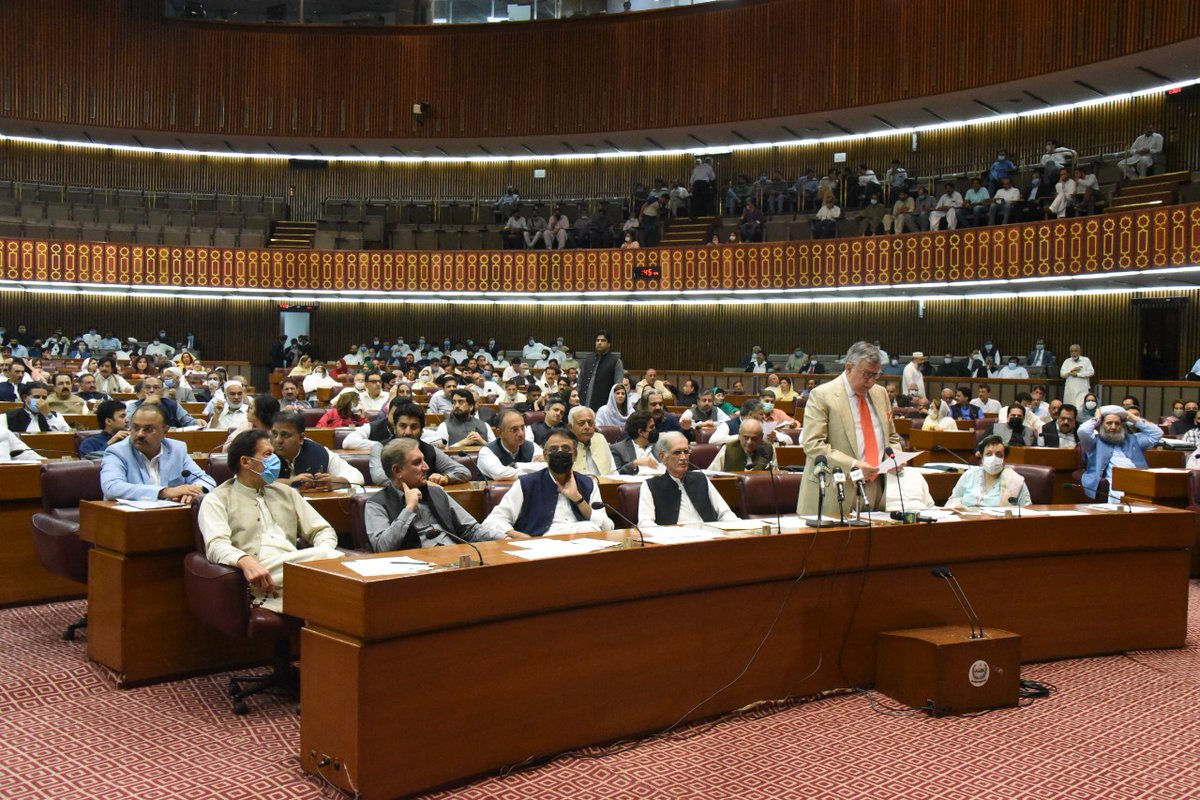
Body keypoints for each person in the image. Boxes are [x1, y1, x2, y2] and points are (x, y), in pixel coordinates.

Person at [197, 429, 342, 612]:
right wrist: (244, 560)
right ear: (246, 462)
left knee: (327, 589)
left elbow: (321, 529)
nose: (275, 459)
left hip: (294, 563)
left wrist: (323, 553)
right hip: (259, 568)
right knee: (339, 578)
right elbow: (216, 545)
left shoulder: (286, 492)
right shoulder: (216, 499)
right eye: (267, 454)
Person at [798, 342, 901, 518]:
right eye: (867, 374)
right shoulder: (822, 395)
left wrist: (895, 455)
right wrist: (853, 465)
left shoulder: (880, 393)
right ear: (848, 368)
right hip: (834, 489)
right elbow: (813, 444)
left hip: (875, 487)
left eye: (876, 375)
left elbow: (891, 437)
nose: (871, 381)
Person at [365, 437, 506, 553]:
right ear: (397, 471)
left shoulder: (436, 492)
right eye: (417, 463)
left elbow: (470, 529)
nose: (426, 467)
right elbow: (382, 548)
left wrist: (506, 539)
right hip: (417, 570)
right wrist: (408, 509)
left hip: (456, 558)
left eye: (424, 460)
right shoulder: (376, 504)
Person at [481, 429, 613, 538]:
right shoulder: (526, 484)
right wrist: (518, 536)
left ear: (574, 454)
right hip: (543, 544)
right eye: (554, 449)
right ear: (545, 455)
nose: (560, 453)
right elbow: (492, 522)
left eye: (565, 448)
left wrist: (578, 499)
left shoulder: (588, 484)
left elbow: (607, 527)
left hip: (584, 542)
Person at [100, 403, 212, 503]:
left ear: (165, 431)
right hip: (132, 517)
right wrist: (164, 492)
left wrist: (195, 490)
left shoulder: (176, 449)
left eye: (148, 429)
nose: (140, 434)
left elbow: (206, 480)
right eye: (135, 428)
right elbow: (112, 487)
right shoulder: (117, 452)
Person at [637, 432, 740, 528]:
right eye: (677, 452)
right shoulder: (650, 486)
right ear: (663, 457)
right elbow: (645, 523)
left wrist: (739, 527)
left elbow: (725, 513)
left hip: (707, 535)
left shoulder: (701, 479)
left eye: (686, 452)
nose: (683, 457)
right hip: (674, 538)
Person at [362, 401, 471, 486]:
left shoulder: (429, 450)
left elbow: (463, 471)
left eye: (414, 427)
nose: (408, 432)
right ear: (394, 428)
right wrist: (423, 483)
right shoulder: (380, 448)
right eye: (403, 426)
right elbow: (379, 477)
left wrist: (446, 478)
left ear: (422, 430)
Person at [1078, 404, 1163, 500]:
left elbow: (1157, 433)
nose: (1113, 427)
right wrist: (1097, 418)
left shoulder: (1133, 439)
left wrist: (1133, 418)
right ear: (1101, 424)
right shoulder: (1093, 442)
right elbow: (1083, 431)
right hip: (1115, 483)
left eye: (1117, 423)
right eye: (1109, 423)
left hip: (1140, 480)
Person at [270, 411, 363, 489]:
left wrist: (334, 482)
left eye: (285, 435)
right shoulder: (265, 452)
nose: (278, 440)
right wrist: (291, 482)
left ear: (301, 438)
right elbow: (261, 482)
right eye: (274, 434)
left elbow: (356, 475)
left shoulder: (317, 452)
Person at [945, 435, 1031, 509]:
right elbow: (952, 502)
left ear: (1004, 459)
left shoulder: (1015, 481)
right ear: (982, 458)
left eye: (999, 455)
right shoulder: (969, 475)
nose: (993, 458)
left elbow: (1027, 511)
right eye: (989, 454)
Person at [477, 410, 544, 480]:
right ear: (499, 433)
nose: (521, 434)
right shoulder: (487, 452)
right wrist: (536, 471)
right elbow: (500, 474)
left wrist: (516, 465)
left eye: (522, 428)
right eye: (514, 430)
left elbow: (547, 467)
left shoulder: (532, 447)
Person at [124, 376, 199, 429]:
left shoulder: (172, 404)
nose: (151, 390)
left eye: (156, 387)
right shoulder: (134, 405)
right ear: (143, 391)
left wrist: (197, 422)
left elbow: (186, 420)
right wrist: (145, 405)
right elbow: (129, 426)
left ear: (162, 392)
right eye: (148, 387)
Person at [578, 330, 623, 411]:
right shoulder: (588, 359)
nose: (599, 342)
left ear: (609, 344)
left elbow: (618, 386)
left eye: (603, 340)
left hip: (604, 407)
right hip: (583, 403)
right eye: (597, 340)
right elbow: (580, 381)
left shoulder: (616, 361)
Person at [708, 417, 774, 471]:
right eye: (746, 438)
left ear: (761, 437)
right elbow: (711, 474)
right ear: (739, 436)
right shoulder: (727, 449)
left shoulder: (768, 449)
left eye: (754, 438)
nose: (749, 442)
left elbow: (775, 475)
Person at [567, 405, 615, 476]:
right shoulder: (564, 444)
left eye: (590, 423)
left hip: (604, 481)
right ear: (571, 427)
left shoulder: (600, 438)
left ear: (594, 425)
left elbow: (613, 469)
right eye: (581, 423)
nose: (587, 427)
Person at [6, 382, 71, 433]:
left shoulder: (56, 416)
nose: (41, 401)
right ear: (25, 397)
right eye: (36, 397)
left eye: (44, 398)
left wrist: (48, 415)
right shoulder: (7, 416)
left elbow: (67, 435)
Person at [611, 410, 660, 475]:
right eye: (651, 427)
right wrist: (635, 463)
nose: (655, 429)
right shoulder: (618, 449)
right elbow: (616, 474)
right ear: (640, 432)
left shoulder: (659, 445)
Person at [1060, 344, 1095, 409]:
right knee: (1069, 407)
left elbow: (1091, 372)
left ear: (1079, 351)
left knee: (1080, 407)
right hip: (1070, 390)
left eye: (1075, 351)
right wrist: (1071, 371)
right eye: (1072, 351)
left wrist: (1078, 374)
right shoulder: (1067, 361)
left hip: (1082, 389)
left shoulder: (1086, 360)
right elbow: (1062, 374)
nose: (1073, 353)